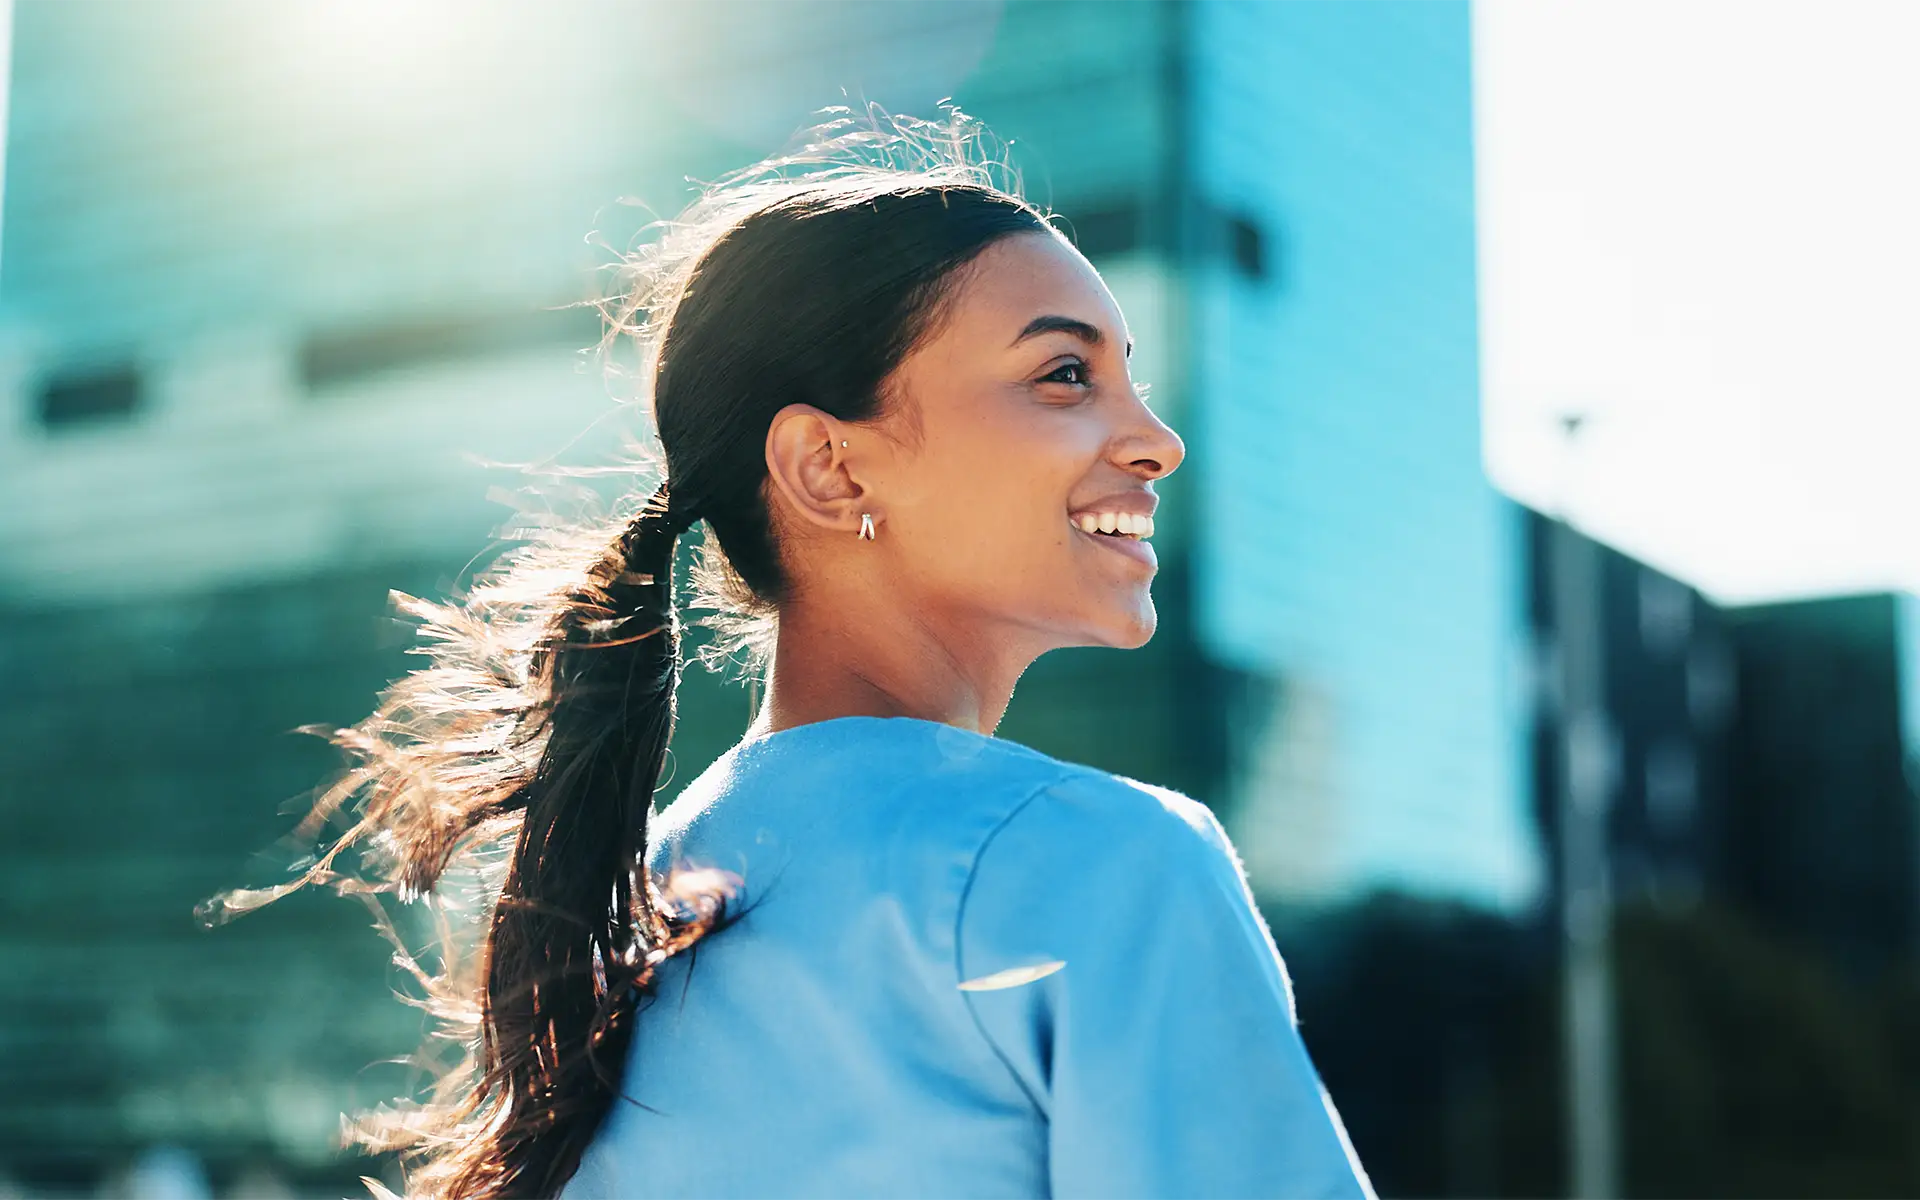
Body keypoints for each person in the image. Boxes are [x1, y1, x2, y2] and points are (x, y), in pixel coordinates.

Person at [207, 111, 1375, 1200]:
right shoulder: (1102, 865)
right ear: (829, 467)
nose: (1156, 440)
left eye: (1132, 376)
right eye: (1064, 373)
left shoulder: (623, 924)